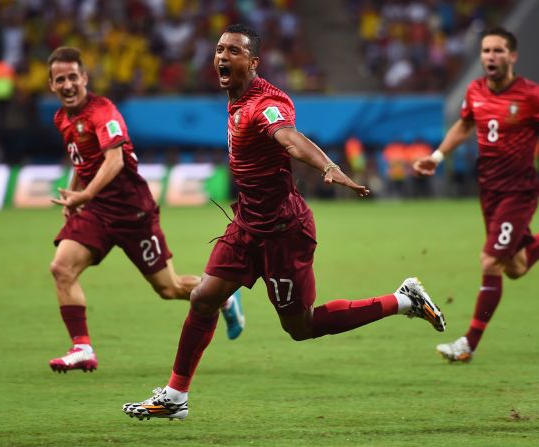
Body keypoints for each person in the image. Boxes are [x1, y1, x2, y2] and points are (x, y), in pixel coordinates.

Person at [121, 24, 447, 420]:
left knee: (300, 327)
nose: (223, 56)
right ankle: (175, 397)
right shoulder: (235, 97)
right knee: (203, 297)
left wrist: (328, 166)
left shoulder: (267, 104)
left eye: (234, 51)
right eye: (220, 49)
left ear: (253, 62)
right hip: (247, 225)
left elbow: (290, 139)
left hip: (283, 233)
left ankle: (403, 301)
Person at [45, 47, 245, 373]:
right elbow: (81, 160)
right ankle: (81, 347)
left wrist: (84, 195)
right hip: (97, 211)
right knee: (61, 268)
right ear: (51, 85)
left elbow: (115, 159)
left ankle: (223, 297)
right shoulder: (61, 119)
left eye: (72, 77)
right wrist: (76, 195)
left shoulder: (103, 112)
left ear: (84, 78)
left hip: (132, 212)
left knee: (168, 288)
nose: (67, 85)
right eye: (59, 79)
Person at [412, 27, 539, 363]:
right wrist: (437, 157)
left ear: (512, 56)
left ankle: (468, 343)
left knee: (490, 261)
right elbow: (466, 125)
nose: (490, 57)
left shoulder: (534, 95)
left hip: (519, 191)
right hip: (490, 192)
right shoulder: (475, 90)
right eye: (485, 51)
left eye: (498, 51)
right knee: (515, 266)